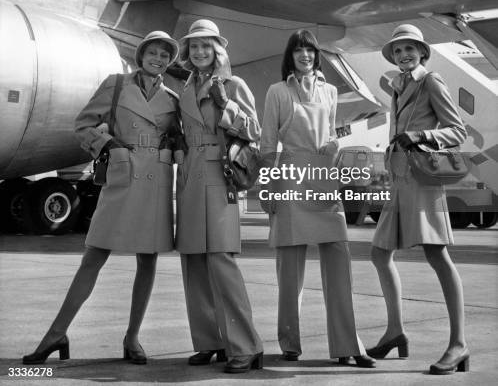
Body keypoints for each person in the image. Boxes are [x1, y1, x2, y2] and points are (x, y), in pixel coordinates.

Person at [23, 31, 181, 365]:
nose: (158, 59)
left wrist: (171, 149)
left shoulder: (172, 99)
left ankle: (133, 339)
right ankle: (55, 334)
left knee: (147, 260)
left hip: (155, 181)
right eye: (152, 52)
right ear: (141, 55)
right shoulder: (117, 84)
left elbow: (178, 139)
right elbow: (83, 124)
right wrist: (108, 145)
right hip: (122, 178)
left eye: (164, 55)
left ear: (169, 61)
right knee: (94, 255)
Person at [259, 29, 375, 368]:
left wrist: (334, 145)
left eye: (309, 49)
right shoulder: (277, 92)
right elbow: (267, 146)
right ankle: (290, 343)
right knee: (289, 270)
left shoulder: (330, 90)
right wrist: (266, 187)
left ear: (316, 54)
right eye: (298, 50)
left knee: (339, 262)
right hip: (290, 176)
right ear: (290, 55)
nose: (305, 55)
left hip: (324, 177)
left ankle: (348, 345)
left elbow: (331, 133)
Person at [368, 24, 469, 375]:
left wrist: (421, 134)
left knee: (436, 254)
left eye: (411, 49)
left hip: (423, 180)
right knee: (379, 253)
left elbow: (458, 130)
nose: (404, 55)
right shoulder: (399, 86)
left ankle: (458, 344)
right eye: (398, 51)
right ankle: (395, 331)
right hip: (399, 180)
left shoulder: (431, 81)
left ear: (422, 53)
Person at [175, 19, 263, 374]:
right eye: (194, 46)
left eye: (206, 46)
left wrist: (226, 105)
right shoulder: (184, 88)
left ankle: (247, 345)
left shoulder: (233, 84)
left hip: (219, 174)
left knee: (221, 262)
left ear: (217, 51)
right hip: (190, 177)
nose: (199, 52)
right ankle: (210, 341)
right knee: (193, 261)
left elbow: (255, 131)